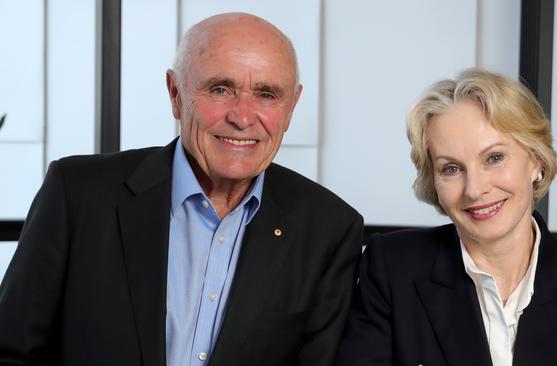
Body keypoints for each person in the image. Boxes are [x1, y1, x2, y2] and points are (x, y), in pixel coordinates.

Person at [0, 13, 363, 366]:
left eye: (267, 94)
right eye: (221, 89)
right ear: (175, 93)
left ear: (292, 106)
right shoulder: (78, 194)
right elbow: (11, 350)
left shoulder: (328, 229)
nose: (242, 117)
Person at [336, 68, 557, 366]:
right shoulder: (393, 269)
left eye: (494, 158)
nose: (474, 189)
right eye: (451, 169)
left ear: (536, 160)